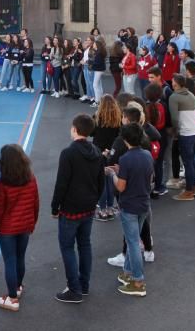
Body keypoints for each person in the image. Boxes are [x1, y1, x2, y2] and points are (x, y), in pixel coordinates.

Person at [50, 114, 104, 304]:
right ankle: (84, 284)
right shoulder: (96, 151)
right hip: (88, 207)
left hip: (71, 209)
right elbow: (101, 181)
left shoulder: (68, 153)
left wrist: (54, 206)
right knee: (85, 244)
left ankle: (74, 289)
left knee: (67, 247)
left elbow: (61, 183)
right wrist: (94, 199)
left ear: (75, 129)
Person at [0, 144, 39, 312]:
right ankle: (18, 288)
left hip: (8, 229)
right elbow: (35, 203)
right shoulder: (31, 178)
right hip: (25, 225)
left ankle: (12, 298)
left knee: (10, 261)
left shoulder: (3, 184)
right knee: (20, 257)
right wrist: (33, 223)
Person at [109, 123, 153, 297]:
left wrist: (113, 174)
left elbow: (121, 186)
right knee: (132, 239)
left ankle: (138, 281)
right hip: (143, 204)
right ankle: (128, 272)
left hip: (129, 206)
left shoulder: (125, 159)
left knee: (133, 243)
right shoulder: (147, 155)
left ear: (125, 139)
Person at [169, 75, 195, 201]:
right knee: (192, 161)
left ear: (175, 84)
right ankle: (193, 187)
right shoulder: (191, 94)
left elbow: (175, 119)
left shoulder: (174, 97)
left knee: (188, 163)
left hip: (186, 133)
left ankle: (188, 192)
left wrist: (174, 132)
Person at [92, 96, 122, 221]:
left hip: (99, 152)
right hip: (112, 152)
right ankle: (110, 207)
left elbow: (91, 133)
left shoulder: (97, 118)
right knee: (110, 179)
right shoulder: (118, 118)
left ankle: (103, 210)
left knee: (101, 181)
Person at [88, 37, 107, 105]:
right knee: (98, 85)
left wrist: (91, 63)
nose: (93, 45)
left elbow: (97, 63)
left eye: (94, 44)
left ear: (97, 45)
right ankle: (100, 99)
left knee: (95, 85)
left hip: (99, 70)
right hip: (99, 69)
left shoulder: (99, 53)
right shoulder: (98, 52)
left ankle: (97, 101)